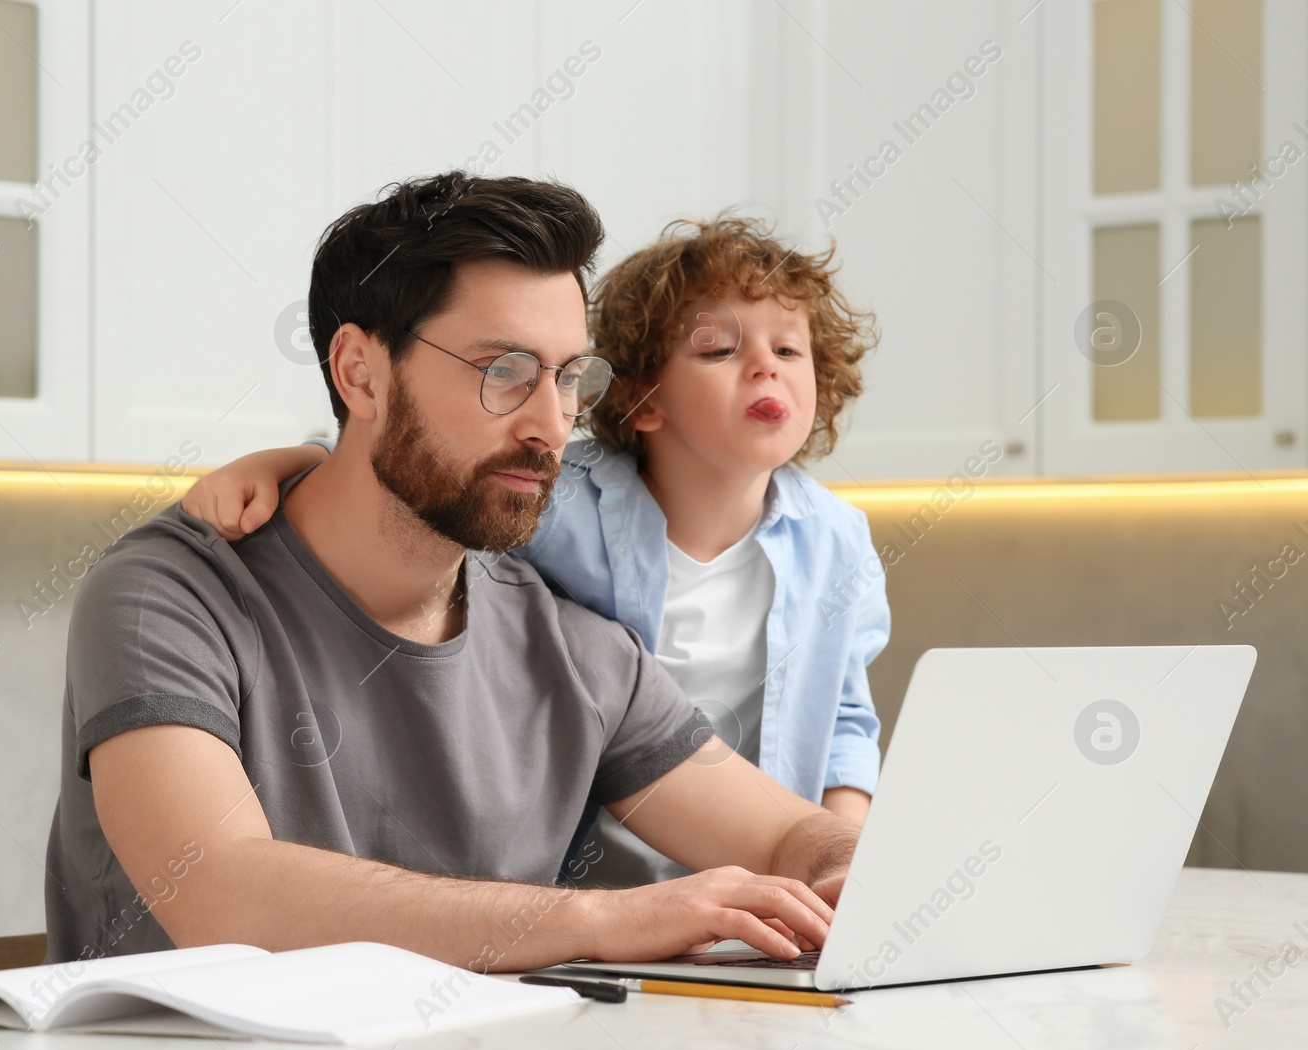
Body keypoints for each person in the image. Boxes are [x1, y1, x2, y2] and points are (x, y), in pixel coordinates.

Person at [45, 172, 858, 971]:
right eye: (503, 369)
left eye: (570, 376)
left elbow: (788, 833)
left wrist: (839, 866)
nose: (550, 424)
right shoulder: (167, 597)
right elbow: (222, 894)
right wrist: (600, 917)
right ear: (360, 372)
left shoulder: (574, 648)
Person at [184, 216, 888, 889]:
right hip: (586, 888)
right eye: (719, 350)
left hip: (757, 868)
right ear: (643, 401)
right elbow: (396, 463)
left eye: (790, 350)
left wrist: (837, 859)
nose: (766, 368)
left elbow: (848, 721)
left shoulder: (837, 539)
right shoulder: (556, 493)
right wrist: (286, 463)